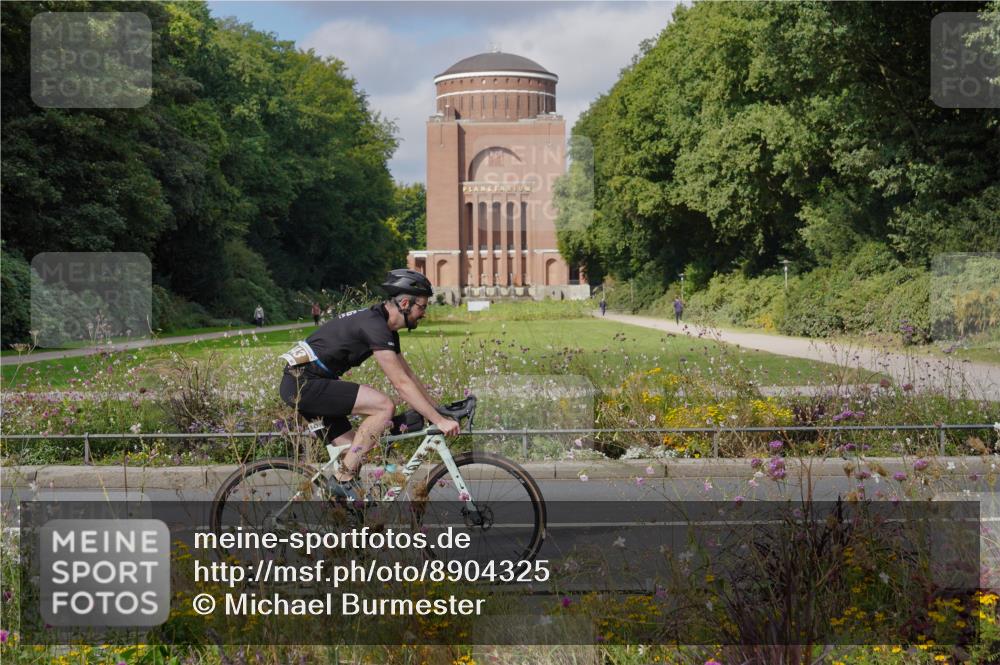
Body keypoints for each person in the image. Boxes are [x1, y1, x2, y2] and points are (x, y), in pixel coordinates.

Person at [279, 269, 460, 502]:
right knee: (384, 406)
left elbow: (408, 375)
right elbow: (401, 385)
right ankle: (342, 481)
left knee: (355, 451)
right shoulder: (374, 325)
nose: (423, 313)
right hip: (304, 383)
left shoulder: (382, 326)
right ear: (405, 303)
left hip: (309, 383)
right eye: (422, 307)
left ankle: (345, 515)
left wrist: (437, 410)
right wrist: (439, 421)